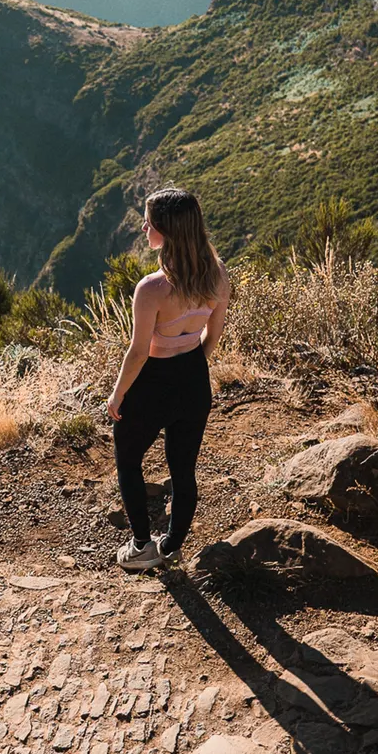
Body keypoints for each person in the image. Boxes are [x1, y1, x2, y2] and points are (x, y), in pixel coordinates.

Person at [106, 187, 230, 573]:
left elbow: (138, 352)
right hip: (194, 379)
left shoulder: (152, 289)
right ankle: (172, 545)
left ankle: (142, 546)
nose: (144, 227)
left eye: (150, 222)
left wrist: (117, 395)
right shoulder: (217, 274)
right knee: (182, 469)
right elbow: (215, 334)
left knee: (128, 461)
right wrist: (192, 367)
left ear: (167, 231)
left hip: (152, 383)